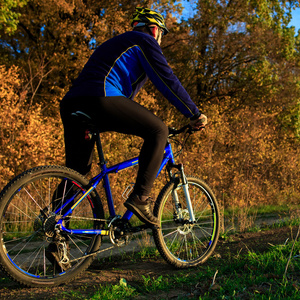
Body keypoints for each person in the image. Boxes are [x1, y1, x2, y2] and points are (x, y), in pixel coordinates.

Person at [60, 7, 207, 226]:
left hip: (72, 103)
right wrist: (193, 112)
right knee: (159, 130)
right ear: (154, 29)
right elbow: (167, 80)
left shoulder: (115, 43)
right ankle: (140, 198)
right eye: (162, 35)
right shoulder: (143, 41)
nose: (160, 40)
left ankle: (55, 232)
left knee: (76, 174)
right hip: (100, 97)